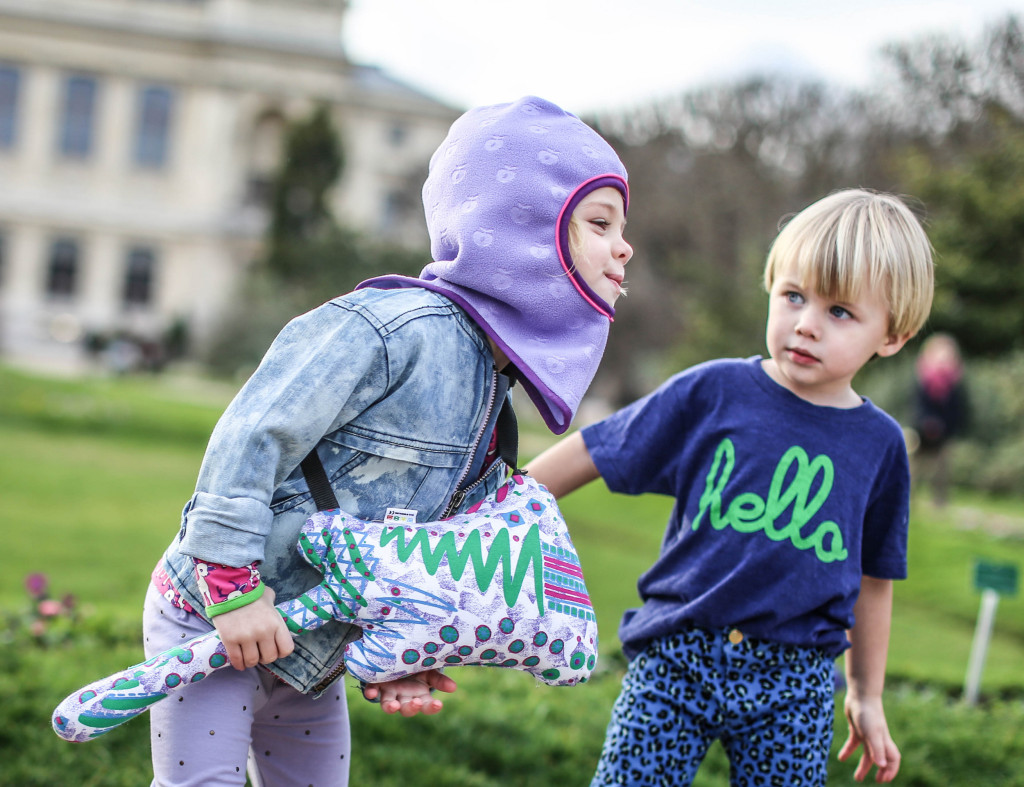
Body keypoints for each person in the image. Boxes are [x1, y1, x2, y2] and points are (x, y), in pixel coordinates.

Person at [143, 96, 632, 786]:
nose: (624, 246)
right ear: (525, 227)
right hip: (212, 617)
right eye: (600, 222)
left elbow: (416, 555)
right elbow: (253, 433)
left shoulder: (495, 394)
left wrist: (400, 649)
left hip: (311, 655)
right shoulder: (392, 330)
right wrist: (231, 586)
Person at [527, 189, 934, 786]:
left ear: (892, 336)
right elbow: (595, 448)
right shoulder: (715, 393)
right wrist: (493, 511)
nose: (805, 324)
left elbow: (876, 578)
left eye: (839, 312)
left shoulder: (880, 445)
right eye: (794, 296)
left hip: (796, 679)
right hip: (676, 656)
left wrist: (866, 695)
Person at [910, 332, 968, 507]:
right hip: (921, 430)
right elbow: (916, 405)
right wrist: (926, 422)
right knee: (914, 467)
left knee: (942, 469)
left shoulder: (955, 382)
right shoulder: (922, 378)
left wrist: (947, 427)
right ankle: (908, 498)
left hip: (944, 433)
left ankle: (940, 502)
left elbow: (958, 409)